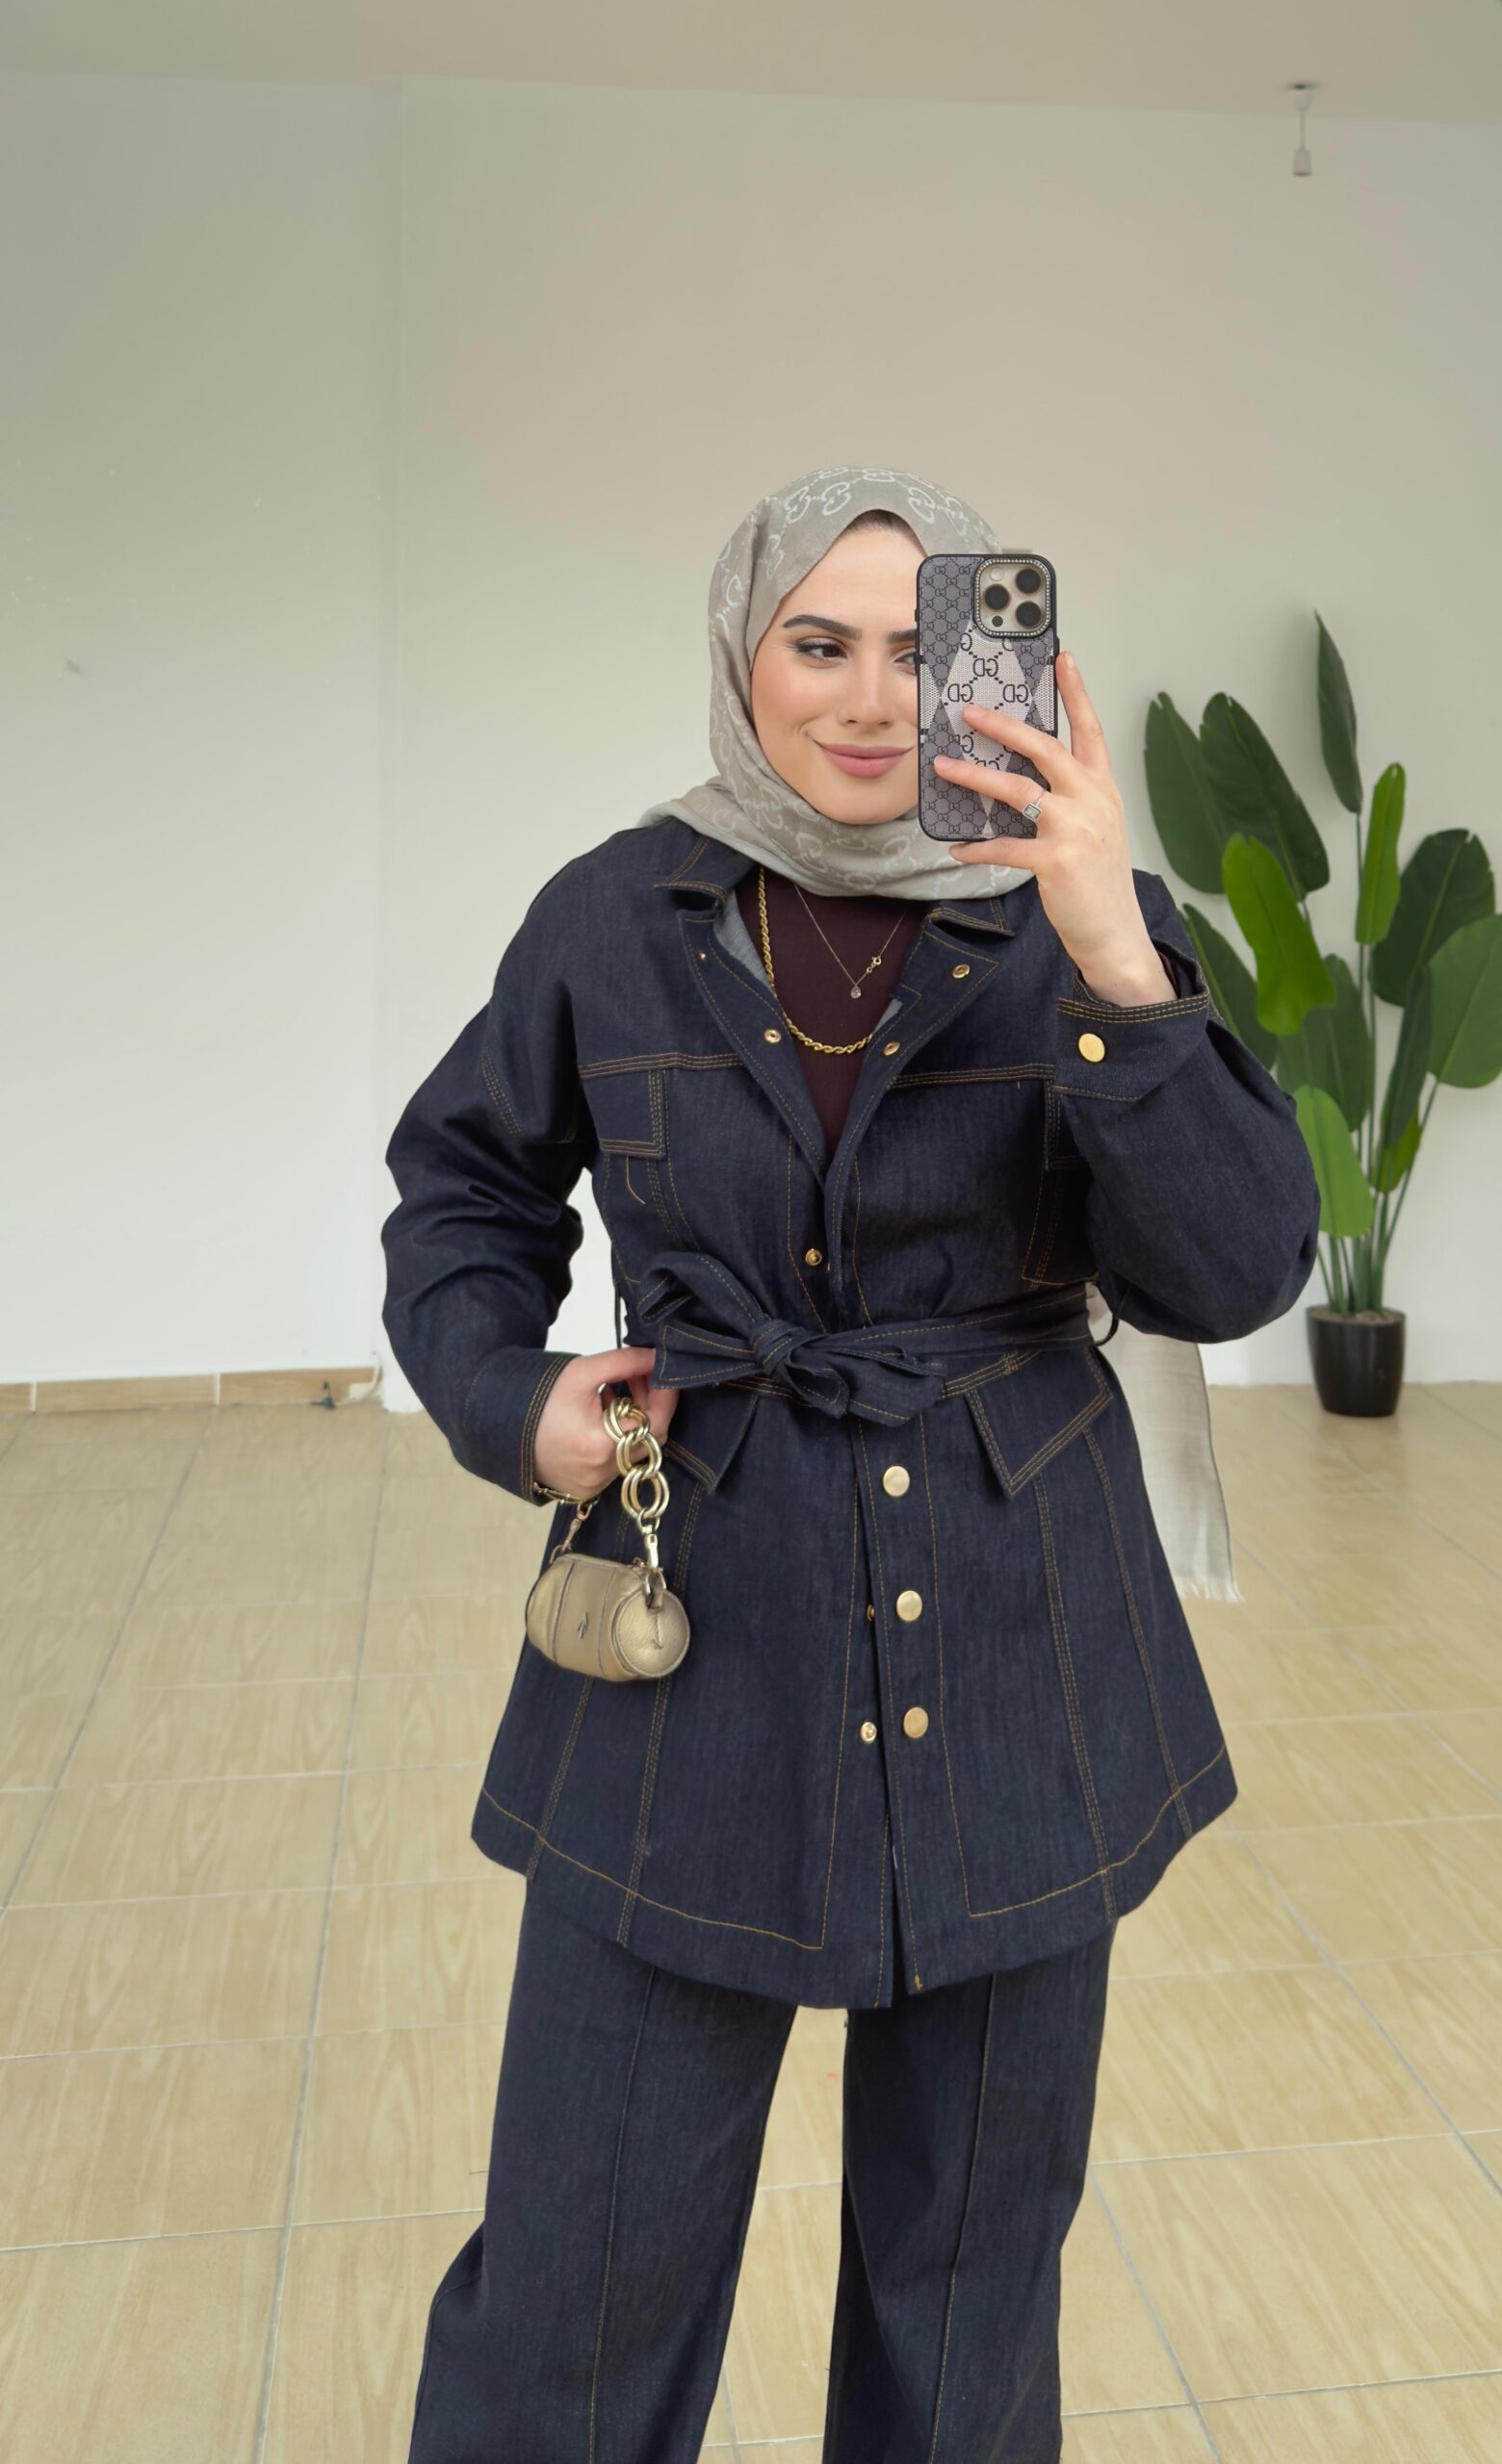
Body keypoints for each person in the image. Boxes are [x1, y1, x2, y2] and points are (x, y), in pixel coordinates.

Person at [379, 464, 1322, 2462]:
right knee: (576, 2279)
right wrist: (511, 1396)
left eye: (919, 646)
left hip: (1019, 1646)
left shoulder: (1085, 916)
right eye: (822, 642)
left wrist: (1114, 954)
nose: (877, 697)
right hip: (690, 1650)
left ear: (999, 666)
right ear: (746, 655)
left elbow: (1236, 1269)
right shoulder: (614, 914)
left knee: (965, 2297)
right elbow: (464, 1185)